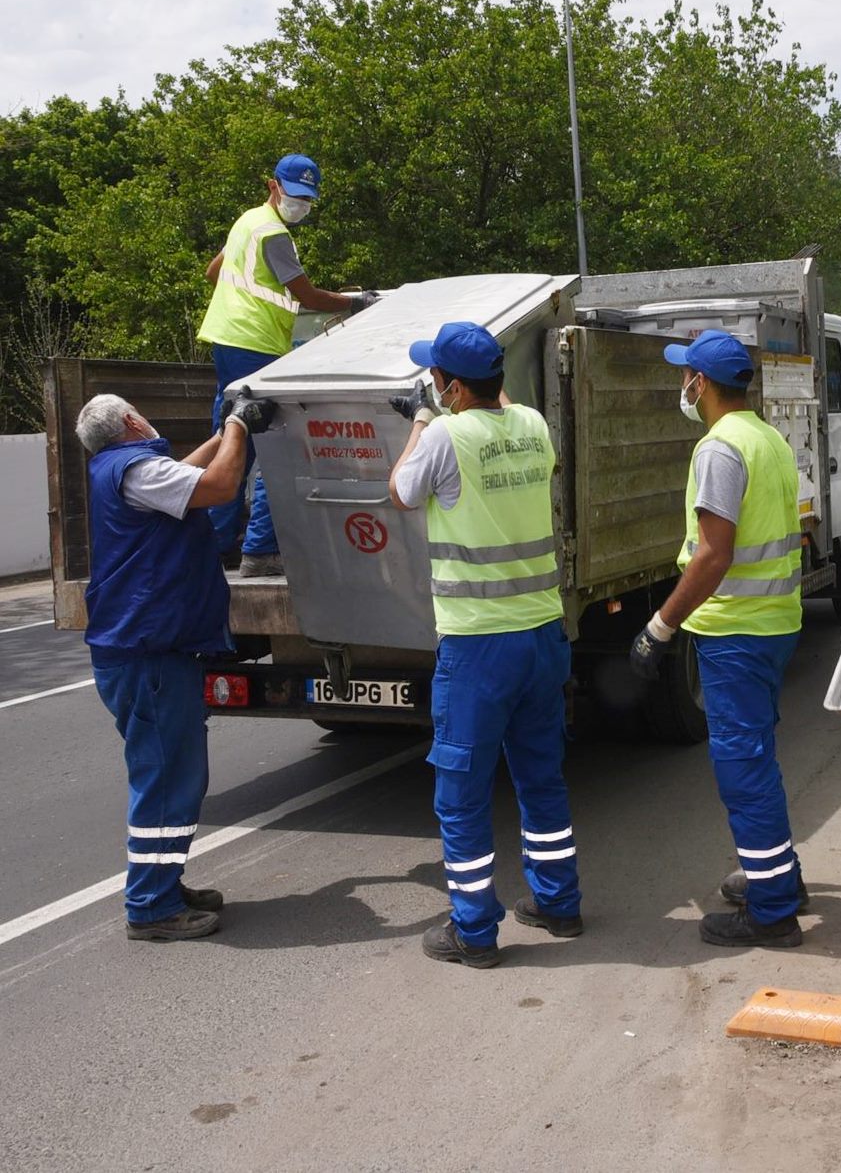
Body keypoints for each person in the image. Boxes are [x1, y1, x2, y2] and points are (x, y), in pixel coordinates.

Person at [388, 321, 581, 969]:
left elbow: (401, 492)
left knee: (462, 793)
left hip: (478, 646)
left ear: (448, 384)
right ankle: (558, 902)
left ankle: (473, 930)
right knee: (540, 776)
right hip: (540, 633)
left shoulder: (444, 432)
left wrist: (417, 419)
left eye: (434, 378)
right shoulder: (531, 424)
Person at [628, 329, 808, 948]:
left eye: (686, 374)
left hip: (737, 631)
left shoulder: (721, 449)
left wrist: (659, 627)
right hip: (774, 623)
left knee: (742, 766)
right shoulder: (767, 439)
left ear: (700, 384)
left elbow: (712, 555)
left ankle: (773, 910)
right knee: (756, 756)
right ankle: (779, 877)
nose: (683, 383)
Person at [77, 390, 268, 940]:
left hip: (145, 647)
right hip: (148, 649)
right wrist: (236, 425)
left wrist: (229, 434)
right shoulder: (135, 469)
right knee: (167, 778)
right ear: (133, 421)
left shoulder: (123, 468)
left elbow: (183, 474)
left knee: (169, 772)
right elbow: (219, 487)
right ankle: (151, 906)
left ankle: (163, 882)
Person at [198, 154, 375, 578]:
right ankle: (260, 549)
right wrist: (358, 303)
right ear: (272, 185)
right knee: (274, 444)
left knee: (231, 440)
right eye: (294, 195)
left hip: (225, 339)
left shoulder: (247, 221)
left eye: (307, 199)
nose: (300, 205)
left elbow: (212, 273)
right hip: (255, 344)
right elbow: (308, 297)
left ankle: (215, 545)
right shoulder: (275, 236)